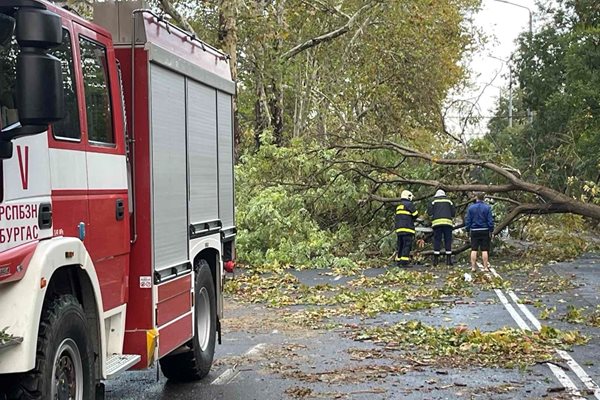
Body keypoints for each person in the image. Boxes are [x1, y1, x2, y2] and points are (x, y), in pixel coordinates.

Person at [465, 192, 494, 271]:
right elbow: (490, 221)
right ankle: (485, 267)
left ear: (476, 198)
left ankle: (473, 267)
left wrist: (467, 229)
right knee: (484, 249)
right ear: (484, 198)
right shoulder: (487, 208)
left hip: (474, 230)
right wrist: (491, 230)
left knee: (474, 249)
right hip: (485, 230)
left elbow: (468, 220)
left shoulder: (471, 208)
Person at [427, 189, 456, 266]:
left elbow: (429, 213)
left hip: (437, 224)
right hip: (447, 224)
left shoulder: (433, 201)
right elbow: (453, 213)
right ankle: (448, 260)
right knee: (448, 241)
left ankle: (436, 261)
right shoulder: (449, 201)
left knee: (437, 241)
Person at [395, 190, 418, 267]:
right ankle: (404, 262)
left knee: (400, 245)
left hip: (399, 229)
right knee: (407, 245)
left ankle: (399, 261)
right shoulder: (409, 204)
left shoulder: (399, 206)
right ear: (408, 196)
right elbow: (415, 214)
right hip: (407, 229)